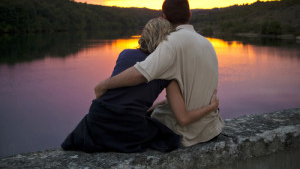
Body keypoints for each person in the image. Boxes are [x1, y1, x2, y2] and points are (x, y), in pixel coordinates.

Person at [62, 18, 219, 153]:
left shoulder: (124, 54)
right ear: (167, 40)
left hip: (97, 119)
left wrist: (151, 108)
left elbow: (125, 95)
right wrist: (211, 106)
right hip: (128, 127)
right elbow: (182, 116)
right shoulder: (165, 68)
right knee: (169, 137)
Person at [94, 0, 225, 147]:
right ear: (189, 15)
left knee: (142, 122)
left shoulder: (170, 43)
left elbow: (141, 73)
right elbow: (186, 96)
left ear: (164, 17)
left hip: (187, 134)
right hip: (211, 129)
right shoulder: (207, 43)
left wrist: (104, 85)